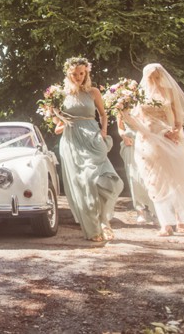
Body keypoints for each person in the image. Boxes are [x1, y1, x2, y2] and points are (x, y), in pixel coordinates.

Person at [122, 63, 184, 236]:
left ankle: (180, 219)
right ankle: (165, 223)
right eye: (151, 77)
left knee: (174, 180)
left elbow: (177, 115)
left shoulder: (168, 92)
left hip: (167, 137)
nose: (155, 80)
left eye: (157, 76)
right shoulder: (139, 95)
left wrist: (176, 131)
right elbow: (136, 118)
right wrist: (124, 113)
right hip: (148, 140)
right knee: (154, 182)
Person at [54, 57, 123, 242]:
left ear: (86, 73)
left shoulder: (93, 92)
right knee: (84, 183)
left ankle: (104, 221)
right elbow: (57, 126)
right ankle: (95, 228)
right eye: (75, 74)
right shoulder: (61, 96)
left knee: (105, 180)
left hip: (93, 139)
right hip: (72, 143)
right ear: (68, 74)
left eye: (82, 73)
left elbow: (103, 114)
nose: (78, 77)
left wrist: (103, 131)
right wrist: (58, 118)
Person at [116, 114, 155, 224]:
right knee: (134, 178)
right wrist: (124, 137)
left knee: (149, 177)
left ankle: (154, 211)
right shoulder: (120, 106)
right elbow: (120, 128)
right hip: (130, 144)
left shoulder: (144, 102)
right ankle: (140, 211)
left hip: (145, 142)